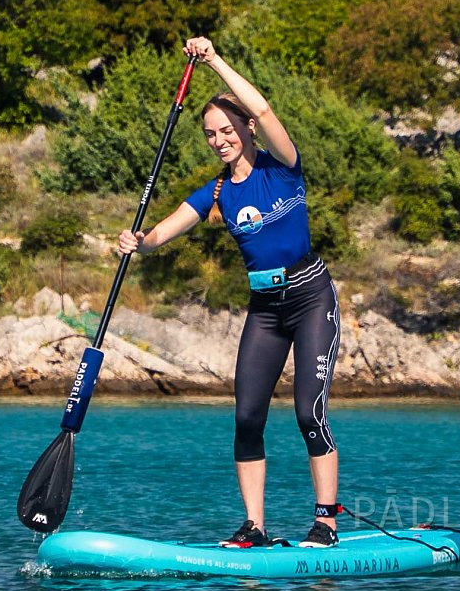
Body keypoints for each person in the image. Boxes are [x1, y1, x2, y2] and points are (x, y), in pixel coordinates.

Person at [118, 37, 341, 549]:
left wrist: (213, 61)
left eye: (226, 129)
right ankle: (254, 527)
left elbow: (262, 106)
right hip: (265, 310)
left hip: (311, 298)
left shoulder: (282, 165)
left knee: (309, 412)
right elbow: (163, 232)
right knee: (246, 418)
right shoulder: (216, 191)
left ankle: (325, 522)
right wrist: (139, 243)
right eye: (209, 134)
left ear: (246, 128)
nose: (219, 140)